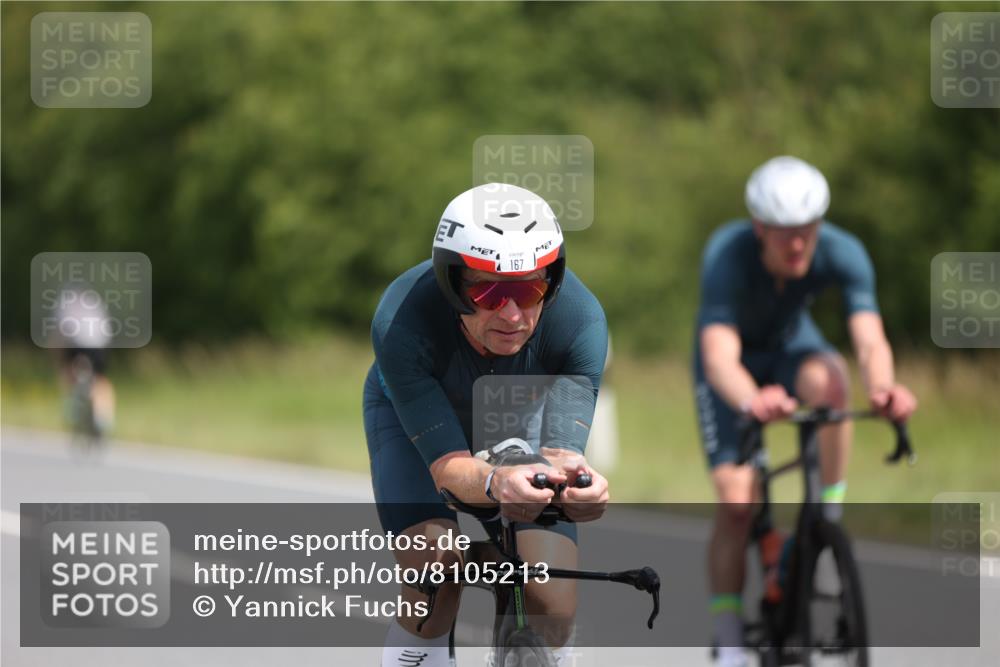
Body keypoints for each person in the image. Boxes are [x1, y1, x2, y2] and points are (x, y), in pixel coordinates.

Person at [364, 183, 610, 667]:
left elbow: (563, 455)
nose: (513, 314)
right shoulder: (401, 322)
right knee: (434, 576)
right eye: (489, 292)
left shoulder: (581, 322)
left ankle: (498, 570)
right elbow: (449, 469)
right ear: (452, 283)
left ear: (552, 282)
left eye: (529, 289)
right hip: (418, 430)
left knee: (551, 603)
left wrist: (582, 488)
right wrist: (497, 482)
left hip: (519, 421)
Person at [692, 156, 918, 666]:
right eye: (784, 233)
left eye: (807, 231)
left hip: (793, 348)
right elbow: (718, 357)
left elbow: (870, 340)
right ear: (760, 228)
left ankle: (826, 514)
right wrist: (753, 399)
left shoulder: (845, 252)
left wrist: (884, 388)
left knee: (832, 382)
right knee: (736, 504)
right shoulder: (727, 255)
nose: (797, 244)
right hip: (731, 365)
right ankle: (729, 640)